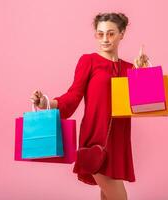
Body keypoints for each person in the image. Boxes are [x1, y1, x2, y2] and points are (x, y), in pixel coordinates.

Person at [30, 12, 149, 200]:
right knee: (119, 197)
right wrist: (45, 102)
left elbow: (142, 104)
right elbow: (73, 96)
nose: (105, 39)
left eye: (110, 33)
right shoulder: (89, 61)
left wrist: (142, 73)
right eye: (100, 34)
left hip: (118, 141)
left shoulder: (128, 68)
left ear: (122, 33)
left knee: (107, 196)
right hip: (95, 140)